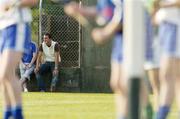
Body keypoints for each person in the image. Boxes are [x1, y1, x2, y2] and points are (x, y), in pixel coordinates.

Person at [0, 0, 38, 119]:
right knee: (3, 77)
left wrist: (12, 4)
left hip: (17, 26)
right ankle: (8, 113)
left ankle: (17, 114)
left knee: (5, 74)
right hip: (3, 30)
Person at [152, 0, 180, 119]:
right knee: (176, 78)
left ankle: (161, 116)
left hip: (173, 27)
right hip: (165, 27)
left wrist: (161, 4)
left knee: (167, 75)